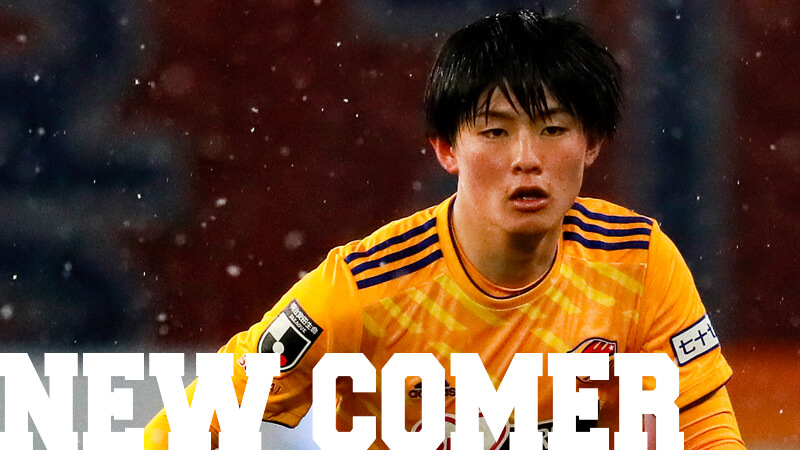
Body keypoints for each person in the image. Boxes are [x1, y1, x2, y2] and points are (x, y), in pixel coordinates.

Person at [144, 8, 745, 449]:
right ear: (446, 149)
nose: (526, 159)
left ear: (592, 144)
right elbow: (180, 430)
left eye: (553, 129)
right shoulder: (361, 293)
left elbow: (706, 432)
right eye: (495, 131)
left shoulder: (638, 263)